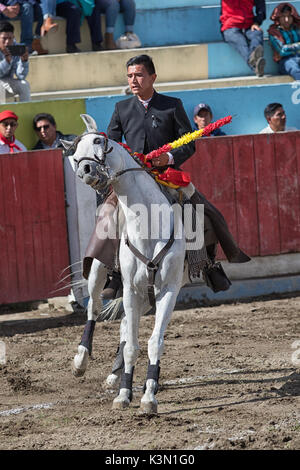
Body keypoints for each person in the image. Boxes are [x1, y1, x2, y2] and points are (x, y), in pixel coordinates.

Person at [84, 54, 250, 299]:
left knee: (199, 210)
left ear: (152, 77)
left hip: (167, 174)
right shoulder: (122, 108)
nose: (133, 80)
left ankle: (208, 265)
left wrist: (169, 158)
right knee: (108, 214)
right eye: (130, 76)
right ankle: (115, 272)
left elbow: (189, 143)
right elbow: (112, 145)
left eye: (139, 75)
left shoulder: (172, 105)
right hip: (132, 176)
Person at [220, 0, 266, 77]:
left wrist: (257, 22)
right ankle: (255, 65)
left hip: (249, 24)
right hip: (230, 26)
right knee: (240, 41)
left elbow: (261, 5)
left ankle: (254, 57)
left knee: (257, 33)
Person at [0, 20, 31, 102]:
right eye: (4, 39)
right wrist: (6, 62)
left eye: (10, 38)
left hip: (7, 83)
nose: (7, 42)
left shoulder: (16, 48)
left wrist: (24, 61)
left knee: (24, 85)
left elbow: (21, 76)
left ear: (13, 37)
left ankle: (26, 111)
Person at [268, 3, 300, 81]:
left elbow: (286, 48)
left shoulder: (297, 29)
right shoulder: (274, 32)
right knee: (295, 70)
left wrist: (291, 47)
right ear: (278, 18)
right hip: (286, 61)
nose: (286, 20)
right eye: (283, 17)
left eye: (289, 16)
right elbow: (282, 51)